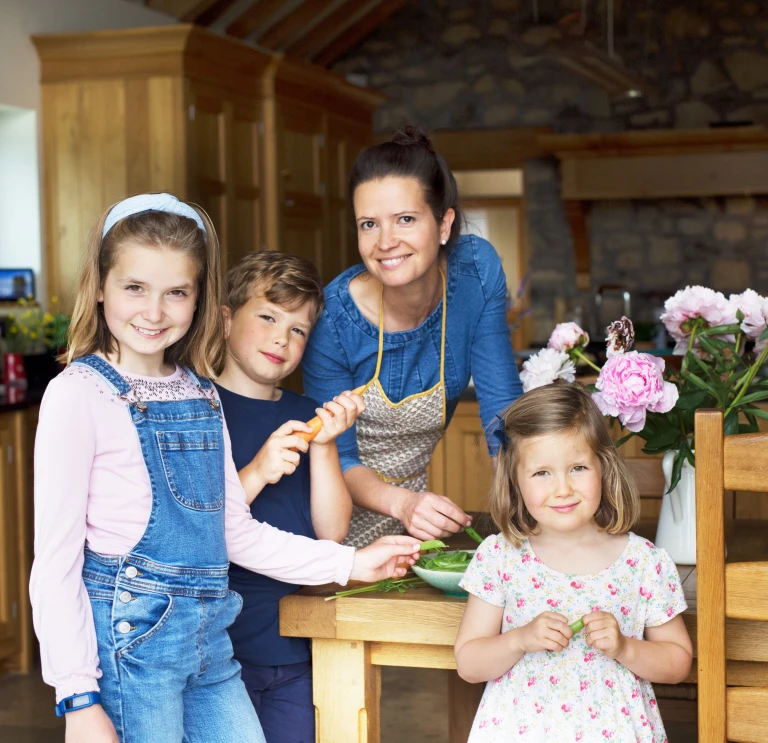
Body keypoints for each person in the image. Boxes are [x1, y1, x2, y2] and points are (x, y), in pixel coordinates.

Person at [29, 193, 421, 743]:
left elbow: (232, 532)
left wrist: (352, 563)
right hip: (130, 649)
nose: (154, 312)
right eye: (134, 287)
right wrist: (77, 698)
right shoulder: (78, 394)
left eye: (176, 293)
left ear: (199, 298)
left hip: (210, 645)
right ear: (100, 287)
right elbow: (55, 562)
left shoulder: (199, 394)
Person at [302, 125, 523, 548]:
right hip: (326, 527)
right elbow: (339, 455)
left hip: (405, 529)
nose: (386, 242)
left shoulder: (475, 272)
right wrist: (405, 504)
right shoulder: (331, 321)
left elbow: (503, 413)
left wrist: (524, 522)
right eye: (369, 224)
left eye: (405, 219)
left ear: (443, 224)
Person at [454, 382, 693, 742]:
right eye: (541, 473)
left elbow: (677, 662)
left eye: (578, 467)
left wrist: (626, 647)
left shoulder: (644, 562)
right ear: (515, 481)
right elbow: (469, 664)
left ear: (604, 467)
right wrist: (518, 639)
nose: (562, 488)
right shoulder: (501, 557)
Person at [214, 251, 361, 743]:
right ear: (226, 317)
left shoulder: (305, 411)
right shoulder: (197, 406)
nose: (283, 337)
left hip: (297, 648)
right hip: (220, 655)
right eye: (268, 317)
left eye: (298, 329)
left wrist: (323, 445)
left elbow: (333, 531)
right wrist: (256, 471)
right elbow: (198, 526)